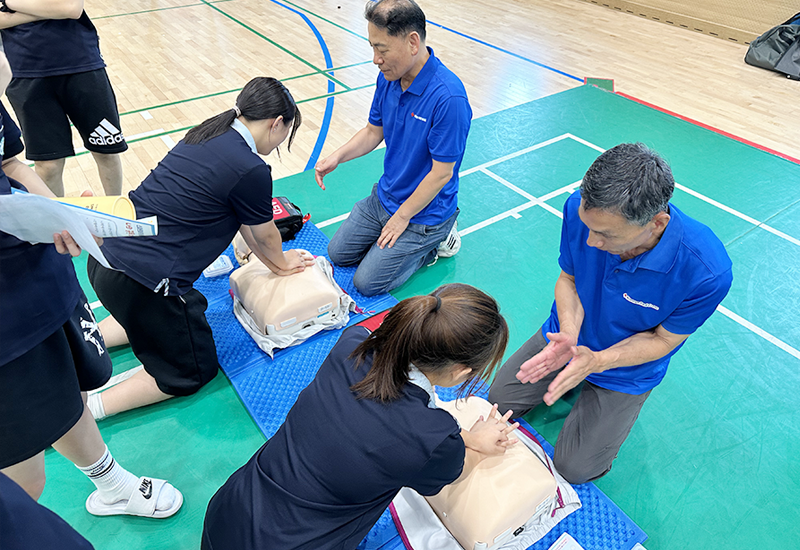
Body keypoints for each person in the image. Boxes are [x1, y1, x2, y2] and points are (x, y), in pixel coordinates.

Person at [0, 51, 181, 519]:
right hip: (6, 323)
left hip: (38, 276)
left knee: (69, 392)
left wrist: (63, 216)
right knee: (25, 481)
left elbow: (12, 167)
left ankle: (113, 485)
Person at [202, 283, 517, 550]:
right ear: (461, 371)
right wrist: (479, 446)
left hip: (228, 512)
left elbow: (392, 428)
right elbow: (450, 472)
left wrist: (470, 438)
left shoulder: (352, 344)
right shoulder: (433, 438)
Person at [488, 143, 733, 484]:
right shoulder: (579, 208)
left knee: (575, 469)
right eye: (588, 227)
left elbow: (662, 340)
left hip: (625, 369)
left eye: (604, 234)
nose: (590, 241)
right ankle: (574, 369)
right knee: (497, 400)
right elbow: (568, 280)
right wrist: (569, 334)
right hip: (566, 339)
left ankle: (599, 394)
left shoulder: (707, 271)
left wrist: (598, 361)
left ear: (657, 223)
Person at [85, 77, 314, 421]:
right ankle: (88, 412)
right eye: (287, 133)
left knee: (189, 305)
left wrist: (262, 254)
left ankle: (93, 337)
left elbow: (240, 218)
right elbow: (264, 234)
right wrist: (282, 264)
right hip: (142, 284)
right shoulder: (251, 168)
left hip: (104, 260)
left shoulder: (208, 133)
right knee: (193, 369)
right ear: (276, 123)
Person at [315, 0, 471, 297]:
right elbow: (374, 131)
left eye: (382, 49)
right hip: (384, 198)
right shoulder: (388, 78)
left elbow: (441, 174)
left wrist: (402, 217)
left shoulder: (449, 98)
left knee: (367, 283)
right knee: (337, 254)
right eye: (373, 48)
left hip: (423, 216)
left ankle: (435, 243)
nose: (375, 59)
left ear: (413, 42)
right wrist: (338, 156)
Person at [0, 0, 127, 196]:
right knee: (48, 164)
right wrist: (52, 10)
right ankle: (61, 223)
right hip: (25, 72)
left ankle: (116, 213)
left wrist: (9, 3)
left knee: (106, 149)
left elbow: (71, 8)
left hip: (82, 62)